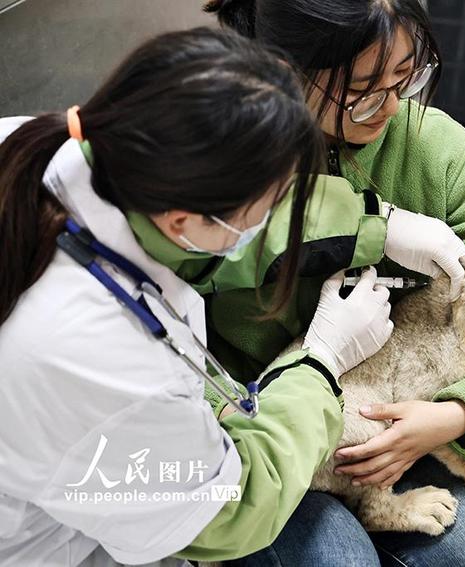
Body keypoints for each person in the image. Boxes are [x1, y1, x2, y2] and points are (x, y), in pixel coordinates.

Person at [0, 27, 402, 566]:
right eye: (264, 210)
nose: (268, 224)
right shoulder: (103, 361)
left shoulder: (60, 149)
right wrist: (322, 364)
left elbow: (183, 241)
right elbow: (229, 511)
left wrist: (375, 225)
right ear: (184, 220)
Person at [201, 1, 465, 565]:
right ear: (286, 72)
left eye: (406, 76)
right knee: (337, 557)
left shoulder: (436, 150)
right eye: (363, 89)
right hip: (267, 446)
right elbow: (168, 344)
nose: (390, 106)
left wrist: (452, 416)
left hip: (409, 436)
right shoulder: (223, 165)